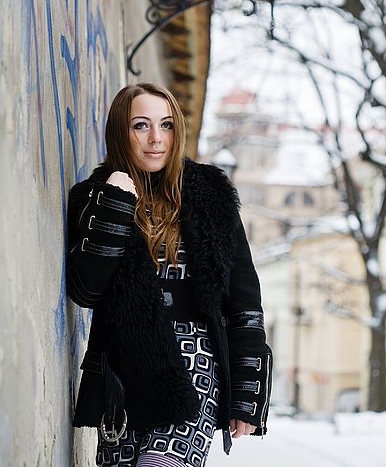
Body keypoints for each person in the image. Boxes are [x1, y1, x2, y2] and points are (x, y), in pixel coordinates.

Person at [66, 82, 273, 467]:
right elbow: (86, 290)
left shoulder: (210, 195)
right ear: (119, 132)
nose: (156, 139)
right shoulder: (92, 197)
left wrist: (247, 392)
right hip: (124, 370)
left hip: (194, 366)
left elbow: (243, 300)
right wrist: (115, 204)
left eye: (166, 125)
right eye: (140, 126)